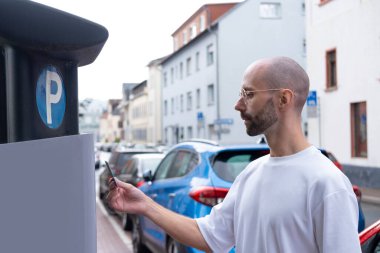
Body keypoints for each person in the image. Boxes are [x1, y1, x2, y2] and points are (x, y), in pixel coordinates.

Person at [107, 57, 361, 253]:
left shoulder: (327, 183)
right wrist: (145, 205)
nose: (238, 105)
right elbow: (210, 236)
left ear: (283, 99)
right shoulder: (251, 173)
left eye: (248, 94)